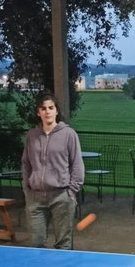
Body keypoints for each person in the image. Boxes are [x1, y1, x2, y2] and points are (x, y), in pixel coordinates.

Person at [21, 93, 84, 250]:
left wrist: (72, 191)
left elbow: (77, 164)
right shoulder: (32, 135)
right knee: (36, 243)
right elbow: (26, 164)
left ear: (56, 111)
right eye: (43, 108)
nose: (47, 111)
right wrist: (27, 189)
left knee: (63, 244)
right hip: (35, 198)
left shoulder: (69, 134)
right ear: (38, 112)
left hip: (61, 196)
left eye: (51, 108)